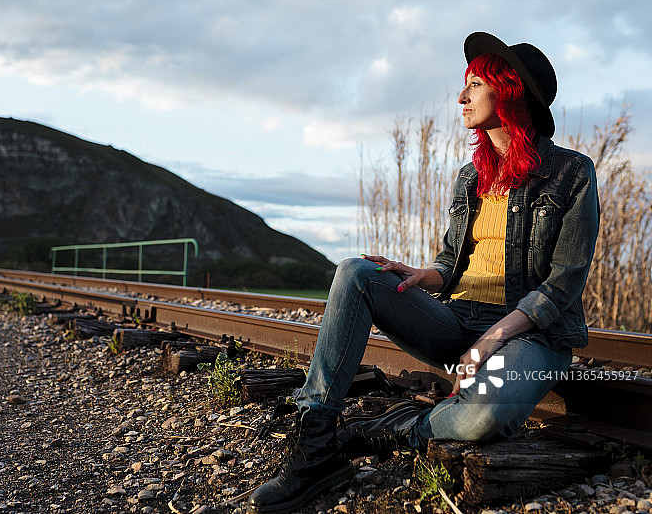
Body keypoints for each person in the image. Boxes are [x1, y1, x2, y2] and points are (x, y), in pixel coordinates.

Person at [247, 31, 600, 514]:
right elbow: (454, 261)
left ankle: (393, 428)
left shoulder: (572, 173)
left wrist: (493, 338)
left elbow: (563, 283)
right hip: (456, 321)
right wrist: (421, 275)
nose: (462, 97)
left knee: (483, 417)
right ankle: (316, 445)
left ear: (509, 91)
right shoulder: (470, 177)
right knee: (355, 271)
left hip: (529, 336)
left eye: (475, 85)